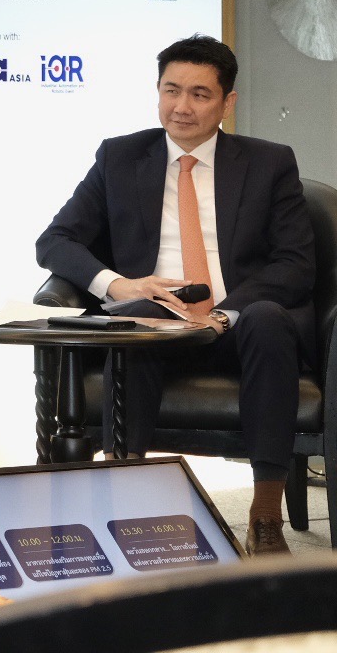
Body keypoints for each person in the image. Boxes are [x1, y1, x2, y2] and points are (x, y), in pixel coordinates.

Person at [38, 34, 314, 556]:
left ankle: (265, 515)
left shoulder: (269, 163)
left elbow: (295, 264)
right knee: (140, 321)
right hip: (155, 320)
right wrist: (118, 285)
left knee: (269, 319)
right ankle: (126, 506)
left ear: (227, 103)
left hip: (239, 325)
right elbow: (55, 241)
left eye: (199, 94)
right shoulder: (120, 157)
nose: (181, 107)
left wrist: (224, 315)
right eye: (171, 90)